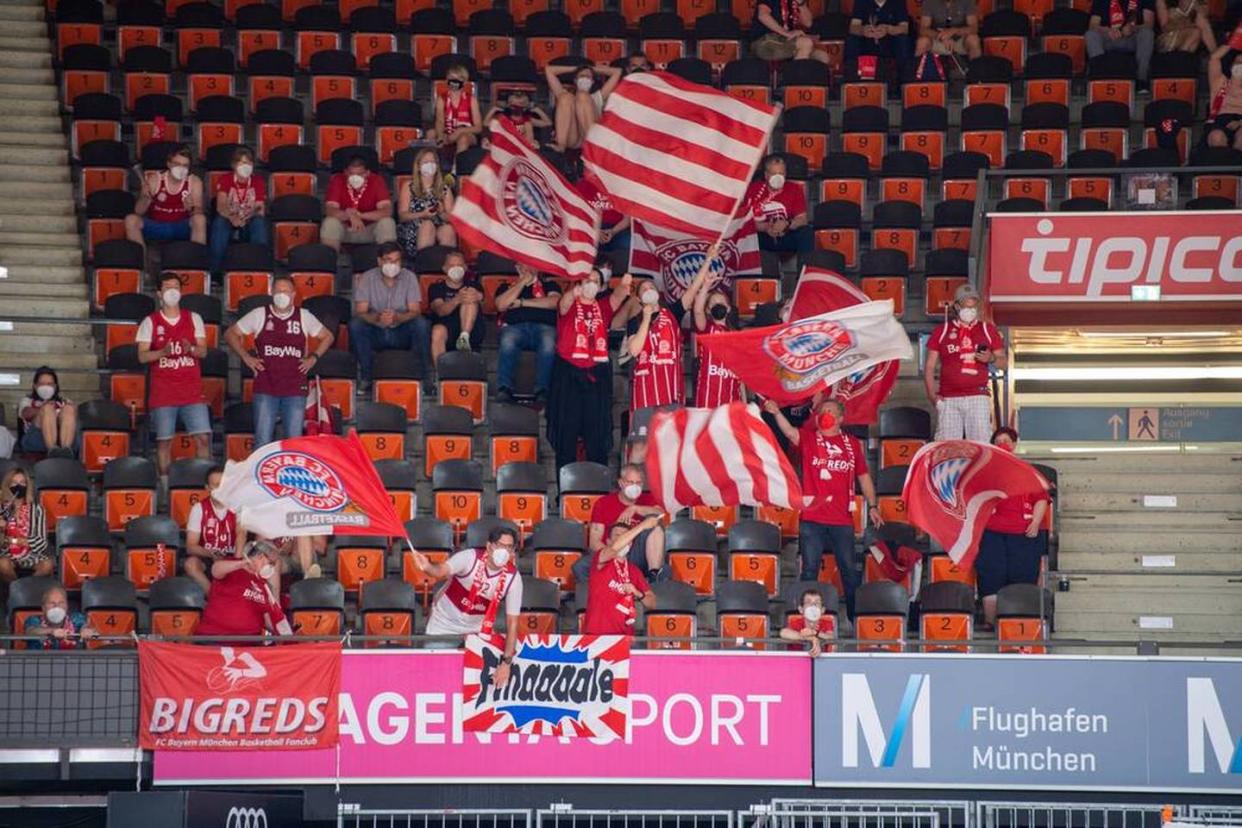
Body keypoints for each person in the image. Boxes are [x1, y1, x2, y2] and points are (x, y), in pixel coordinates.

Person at [764, 397, 881, 616]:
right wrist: (776, 412)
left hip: (842, 520)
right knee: (809, 571)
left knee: (848, 571)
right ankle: (804, 619)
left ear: (840, 418)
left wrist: (873, 505)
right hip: (812, 519)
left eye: (830, 411)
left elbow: (863, 477)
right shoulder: (808, 439)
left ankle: (856, 620)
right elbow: (790, 432)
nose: (824, 414)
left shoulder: (852, 443)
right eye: (822, 411)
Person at [225, 275, 333, 447]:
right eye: (278, 291)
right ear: (271, 292)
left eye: (286, 291)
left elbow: (327, 336)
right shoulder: (259, 314)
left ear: (293, 294)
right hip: (266, 386)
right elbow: (230, 333)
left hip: (295, 387)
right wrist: (246, 356)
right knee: (262, 440)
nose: (281, 294)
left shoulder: (303, 316)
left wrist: (313, 358)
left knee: (293, 441)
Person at [412, 526, 523, 685]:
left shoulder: (513, 578)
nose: (504, 551)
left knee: (474, 682)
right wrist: (428, 567)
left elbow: (513, 623)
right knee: (432, 678)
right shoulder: (469, 558)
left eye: (509, 547)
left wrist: (506, 663)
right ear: (489, 546)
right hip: (444, 625)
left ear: (513, 552)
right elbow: (441, 570)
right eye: (500, 545)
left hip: (477, 631)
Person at [548, 269, 632, 469]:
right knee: (567, 435)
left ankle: (597, 485)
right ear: (578, 283)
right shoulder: (568, 305)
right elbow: (565, 303)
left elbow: (618, 296)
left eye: (596, 281)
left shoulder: (602, 307)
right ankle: (565, 491)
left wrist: (625, 281)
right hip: (568, 374)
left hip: (596, 375)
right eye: (587, 280)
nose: (591, 284)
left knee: (595, 434)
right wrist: (575, 291)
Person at [135, 273, 211, 475]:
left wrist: (191, 349)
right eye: (168, 287)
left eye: (176, 287)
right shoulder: (150, 322)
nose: (172, 291)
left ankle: (205, 484)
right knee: (164, 442)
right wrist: (162, 352)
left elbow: (203, 351)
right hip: (163, 394)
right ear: (159, 293)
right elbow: (142, 356)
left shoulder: (194, 318)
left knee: (203, 438)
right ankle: (165, 487)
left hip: (192, 392)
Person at [977, 428, 1049, 628]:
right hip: (992, 533)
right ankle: (990, 621)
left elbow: (1041, 499)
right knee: (990, 576)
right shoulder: (986, 472)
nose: (1003, 444)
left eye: (1007, 440)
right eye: (998, 441)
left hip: (1023, 533)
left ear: (1015, 444)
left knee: (1022, 576)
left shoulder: (1027, 471)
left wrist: (1035, 522)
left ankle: (1020, 621)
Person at [924, 283, 1004, 442]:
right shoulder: (942, 331)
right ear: (957, 306)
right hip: (949, 397)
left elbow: (1004, 363)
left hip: (978, 395)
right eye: (966, 305)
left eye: (973, 305)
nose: (970, 309)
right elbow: (929, 367)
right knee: (947, 448)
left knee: (981, 445)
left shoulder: (987, 330)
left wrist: (991, 358)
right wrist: (934, 398)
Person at [349, 242, 433, 392]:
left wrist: (398, 317)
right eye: (388, 260)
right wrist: (377, 318)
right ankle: (367, 377)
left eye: (396, 260)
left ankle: (424, 377)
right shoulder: (367, 277)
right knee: (356, 324)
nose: (392, 264)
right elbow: (361, 311)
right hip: (377, 331)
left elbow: (415, 310)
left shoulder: (409, 277)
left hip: (401, 331)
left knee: (421, 324)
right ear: (379, 261)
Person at [681, 250, 745, 408]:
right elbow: (697, 311)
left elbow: (741, 375)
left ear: (729, 308)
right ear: (708, 310)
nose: (718, 306)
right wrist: (706, 286)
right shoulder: (707, 328)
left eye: (721, 303)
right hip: (707, 398)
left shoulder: (736, 336)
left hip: (731, 398)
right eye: (714, 304)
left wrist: (744, 402)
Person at [584, 464, 667, 581]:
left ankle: (654, 575)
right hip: (613, 551)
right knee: (581, 566)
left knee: (656, 525)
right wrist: (613, 556)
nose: (635, 486)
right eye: (630, 482)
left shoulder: (648, 499)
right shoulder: (603, 503)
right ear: (621, 483)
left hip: (639, 554)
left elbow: (660, 514)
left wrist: (635, 508)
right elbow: (594, 542)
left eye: (638, 483)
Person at [494, 262, 562, 403]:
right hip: (515, 327)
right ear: (517, 268)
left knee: (549, 342)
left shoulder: (550, 285)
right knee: (508, 341)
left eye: (530, 264)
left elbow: (555, 302)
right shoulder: (506, 287)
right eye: (522, 265)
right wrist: (523, 282)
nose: (527, 269)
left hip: (544, 327)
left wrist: (522, 303)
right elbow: (501, 305)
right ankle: (504, 388)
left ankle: (542, 390)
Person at [196, 539, 292, 637]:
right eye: (271, 563)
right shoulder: (232, 566)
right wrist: (242, 564)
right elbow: (215, 570)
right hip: (215, 638)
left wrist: (287, 635)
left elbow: (269, 620)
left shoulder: (263, 585)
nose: (272, 567)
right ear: (261, 557)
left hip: (249, 642)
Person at [582, 517, 660, 635]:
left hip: (624, 636)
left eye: (625, 536)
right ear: (608, 542)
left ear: (631, 543)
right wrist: (642, 526)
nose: (622, 539)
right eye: (617, 535)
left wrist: (637, 593)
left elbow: (653, 603)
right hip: (596, 634)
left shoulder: (634, 570)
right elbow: (614, 548)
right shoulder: (601, 558)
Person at [124, 143, 207, 248]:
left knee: (200, 219)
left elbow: (199, 211)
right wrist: (145, 198)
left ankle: (196, 262)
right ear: (169, 164)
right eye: (177, 164)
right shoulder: (155, 180)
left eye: (185, 165)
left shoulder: (194, 182)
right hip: (157, 226)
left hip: (181, 226)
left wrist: (191, 208)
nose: (181, 168)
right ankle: (140, 262)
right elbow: (138, 212)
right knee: (131, 220)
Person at [626, 278, 684, 411]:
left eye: (652, 287)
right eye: (644, 290)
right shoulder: (635, 321)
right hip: (646, 387)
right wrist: (646, 318)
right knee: (646, 430)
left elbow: (691, 292)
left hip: (671, 386)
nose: (649, 291)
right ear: (639, 299)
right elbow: (634, 350)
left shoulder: (672, 313)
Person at [208, 146, 268, 274]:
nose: (246, 166)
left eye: (249, 163)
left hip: (249, 220)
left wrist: (248, 216)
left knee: (259, 223)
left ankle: (259, 268)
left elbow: (259, 208)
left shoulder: (258, 181)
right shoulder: (226, 179)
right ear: (234, 165)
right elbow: (221, 205)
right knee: (219, 223)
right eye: (242, 162)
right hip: (230, 220)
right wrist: (232, 217)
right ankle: (215, 271)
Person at [320, 154, 397, 251]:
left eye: (360, 174)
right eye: (352, 174)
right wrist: (348, 215)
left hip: (370, 229)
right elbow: (330, 210)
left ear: (367, 173)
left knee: (387, 223)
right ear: (346, 172)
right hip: (345, 229)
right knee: (330, 222)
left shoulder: (377, 180)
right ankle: (329, 261)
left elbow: (386, 211)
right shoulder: (337, 180)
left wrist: (359, 215)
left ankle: (387, 260)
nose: (355, 177)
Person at [546, 62, 623, 152]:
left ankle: (594, 145)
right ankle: (560, 145)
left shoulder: (598, 96)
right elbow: (549, 70)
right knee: (564, 97)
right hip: (573, 138)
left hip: (590, 136)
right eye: (582, 76)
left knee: (582, 95)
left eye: (588, 77)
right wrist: (577, 68)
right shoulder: (569, 97)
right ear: (575, 80)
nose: (585, 79)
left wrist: (589, 68)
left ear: (592, 81)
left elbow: (617, 72)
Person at [183, 465, 236, 593]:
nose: (221, 489)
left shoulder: (238, 507)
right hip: (207, 557)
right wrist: (211, 553)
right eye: (216, 485)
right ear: (207, 488)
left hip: (233, 558)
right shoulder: (199, 509)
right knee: (190, 564)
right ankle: (214, 597)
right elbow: (191, 546)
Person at [396, 148, 457, 259]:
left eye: (432, 162)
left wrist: (441, 211)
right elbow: (402, 216)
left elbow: (452, 218)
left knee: (448, 230)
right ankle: (424, 263)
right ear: (418, 166)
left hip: (438, 225)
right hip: (414, 229)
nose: (430, 165)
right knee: (427, 226)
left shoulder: (444, 188)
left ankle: (447, 266)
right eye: (426, 162)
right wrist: (422, 214)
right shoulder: (409, 186)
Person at [745, 155, 811, 254]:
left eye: (781, 173)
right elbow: (743, 221)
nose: (778, 177)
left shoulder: (794, 189)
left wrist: (787, 224)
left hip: (786, 235)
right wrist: (765, 227)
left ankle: (806, 267)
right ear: (766, 175)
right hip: (763, 236)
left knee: (806, 232)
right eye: (774, 174)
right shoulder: (753, 189)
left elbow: (802, 219)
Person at [428, 249, 485, 359]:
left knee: (469, 296)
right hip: (446, 329)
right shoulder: (436, 288)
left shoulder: (474, 285)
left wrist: (480, 297)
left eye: (459, 265)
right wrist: (457, 299)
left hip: (472, 330)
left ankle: (464, 338)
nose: (456, 268)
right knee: (437, 331)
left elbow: (487, 307)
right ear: (444, 268)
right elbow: (440, 310)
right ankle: (440, 374)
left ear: (465, 268)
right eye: (451, 265)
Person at [0, 465, 52, 583]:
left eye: (23, 482)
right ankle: (15, 591)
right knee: (3, 564)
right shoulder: (2, 508)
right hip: (6, 553)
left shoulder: (37, 509)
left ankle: (27, 588)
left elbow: (42, 541)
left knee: (47, 565)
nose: (19, 486)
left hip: (32, 553)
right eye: (14, 483)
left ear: (28, 486)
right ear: (7, 485)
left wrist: (16, 541)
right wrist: (2, 530)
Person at [1086, 0, 1155, 84]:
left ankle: (1142, 79)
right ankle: (1098, 76)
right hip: (1109, 38)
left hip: (1132, 38)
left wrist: (1133, 29)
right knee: (1091, 34)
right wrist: (1107, 30)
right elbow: (1093, 25)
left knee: (1147, 33)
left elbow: (1149, 24)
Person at [17, 366, 76, 455]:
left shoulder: (64, 402)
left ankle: (65, 451)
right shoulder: (27, 400)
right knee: (47, 409)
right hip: (35, 439)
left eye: (49, 384)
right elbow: (26, 413)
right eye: (42, 384)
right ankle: (52, 451)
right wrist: (46, 410)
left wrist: (65, 411)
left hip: (61, 439)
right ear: (35, 386)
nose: (46, 387)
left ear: (55, 386)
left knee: (68, 409)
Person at [847, 0, 912, 79]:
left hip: (890, 40)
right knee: (852, 40)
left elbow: (904, 28)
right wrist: (863, 30)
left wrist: (888, 29)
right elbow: (853, 27)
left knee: (903, 41)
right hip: (867, 40)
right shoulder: (861, 1)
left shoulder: (898, 2)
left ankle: (903, 81)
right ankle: (852, 79)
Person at [752, 0, 830, 62]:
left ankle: (803, 79)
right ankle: (797, 80)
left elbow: (808, 23)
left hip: (787, 41)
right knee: (805, 43)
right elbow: (762, 15)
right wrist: (787, 33)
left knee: (823, 57)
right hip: (765, 41)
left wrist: (801, 4)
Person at [23, 586, 98, 650]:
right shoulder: (33, 619)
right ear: (43, 607)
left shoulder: (75, 618)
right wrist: (52, 631)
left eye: (61, 603)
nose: (56, 606)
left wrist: (86, 630)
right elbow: (30, 631)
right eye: (52, 603)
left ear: (67, 606)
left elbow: (85, 626)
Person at [433, 63, 483, 157]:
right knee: (431, 134)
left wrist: (459, 131)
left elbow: (478, 128)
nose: (454, 81)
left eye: (458, 78)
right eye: (451, 77)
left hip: (468, 133)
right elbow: (439, 121)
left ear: (464, 81)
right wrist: (440, 136)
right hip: (448, 131)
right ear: (446, 80)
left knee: (463, 138)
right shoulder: (442, 99)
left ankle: (457, 168)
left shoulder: (471, 99)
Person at [575, 174, 630, 255]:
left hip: (616, 229)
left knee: (628, 243)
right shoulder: (582, 186)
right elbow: (577, 216)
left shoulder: (620, 187)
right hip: (590, 229)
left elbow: (628, 219)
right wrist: (595, 232)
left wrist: (613, 232)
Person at [1205, 41, 1242, 150]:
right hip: (1221, 119)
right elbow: (1214, 58)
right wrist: (1237, 37)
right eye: (1238, 62)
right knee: (1216, 137)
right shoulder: (1220, 82)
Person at [916, 0, 982, 60]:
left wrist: (954, 31)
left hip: (960, 39)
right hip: (937, 39)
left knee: (974, 40)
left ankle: (976, 71)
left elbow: (974, 28)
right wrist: (941, 36)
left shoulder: (968, 1)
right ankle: (918, 71)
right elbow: (923, 29)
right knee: (922, 42)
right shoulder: (929, 2)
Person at [483, 89, 550, 147]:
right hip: (506, 144)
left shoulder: (527, 119)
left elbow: (548, 123)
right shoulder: (503, 118)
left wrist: (537, 109)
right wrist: (494, 109)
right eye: (514, 106)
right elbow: (486, 123)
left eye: (520, 105)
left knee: (528, 124)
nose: (516, 109)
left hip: (523, 145)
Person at [780, 587, 835, 656]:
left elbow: (831, 637)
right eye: (809, 602)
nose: (813, 605)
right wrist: (810, 638)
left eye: (817, 603)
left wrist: (814, 633)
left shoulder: (826, 622)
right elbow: (783, 633)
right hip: (797, 660)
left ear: (822, 610)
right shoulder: (796, 622)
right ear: (801, 609)